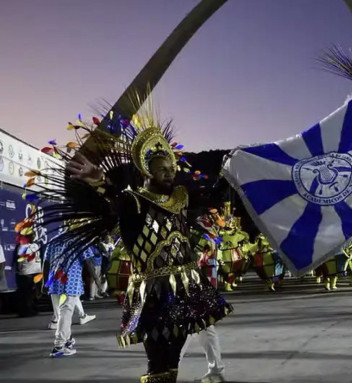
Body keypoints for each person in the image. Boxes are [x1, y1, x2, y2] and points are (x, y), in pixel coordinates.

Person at [30, 105, 232, 382]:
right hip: (154, 294)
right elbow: (114, 200)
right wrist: (98, 180)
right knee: (159, 362)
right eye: (162, 169)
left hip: (188, 285)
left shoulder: (182, 197)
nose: (170, 173)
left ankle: (208, 372)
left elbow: (212, 198)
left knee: (176, 354)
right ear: (146, 170)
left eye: (171, 168)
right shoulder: (133, 202)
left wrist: (233, 173)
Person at [44, 231, 97, 357]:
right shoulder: (79, 241)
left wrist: (43, 283)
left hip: (55, 283)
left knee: (61, 313)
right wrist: (97, 279)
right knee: (65, 314)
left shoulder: (54, 240)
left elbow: (45, 262)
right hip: (70, 284)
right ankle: (59, 347)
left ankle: (67, 340)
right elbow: (88, 261)